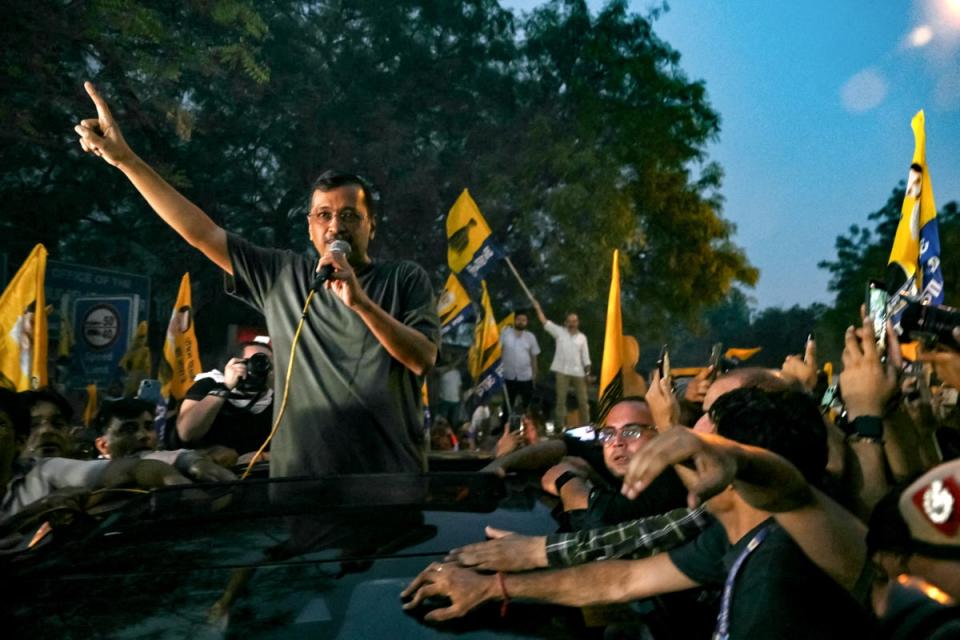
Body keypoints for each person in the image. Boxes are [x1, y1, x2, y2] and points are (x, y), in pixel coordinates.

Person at [75, 82, 440, 478]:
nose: (337, 226)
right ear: (310, 227)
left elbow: (422, 359)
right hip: (299, 486)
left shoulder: (404, 278)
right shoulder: (282, 275)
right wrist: (126, 160)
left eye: (350, 215)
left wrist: (362, 304)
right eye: (324, 215)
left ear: (372, 224)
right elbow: (201, 233)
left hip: (387, 481)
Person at [402, 388, 875, 638]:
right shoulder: (727, 534)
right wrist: (494, 586)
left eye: (697, 434)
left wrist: (742, 459)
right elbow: (618, 580)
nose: (683, 436)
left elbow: (788, 488)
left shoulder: (802, 541)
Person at [540, 397, 686, 531]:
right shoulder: (623, 459)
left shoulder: (670, 484)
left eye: (631, 432)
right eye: (609, 433)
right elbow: (566, 444)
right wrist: (515, 459)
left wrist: (565, 480)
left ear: (661, 435)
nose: (617, 442)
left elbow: (598, 520)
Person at [175, 339, 275, 460]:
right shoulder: (209, 384)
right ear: (234, 363)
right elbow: (186, 433)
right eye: (254, 361)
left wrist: (262, 456)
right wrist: (225, 387)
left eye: (267, 363)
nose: (261, 367)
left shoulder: (276, 400)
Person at [94, 398, 235, 482]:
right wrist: (187, 459)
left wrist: (198, 459)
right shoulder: (89, 478)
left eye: (149, 427)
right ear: (103, 445)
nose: (143, 435)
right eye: (129, 430)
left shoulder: (175, 461)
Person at [532, 302, 590, 428]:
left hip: (578, 372)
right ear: (566, 323)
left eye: (574, 321)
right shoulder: (559, 332)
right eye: (570, 321)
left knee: (583, 401)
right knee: (560, 401)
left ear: (578, 322)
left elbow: (585, 357)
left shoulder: (582, 338)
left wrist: (588, 373)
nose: (572, 323)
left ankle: (586, 426)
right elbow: (544, 322)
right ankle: (559, 427)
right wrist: (537, 308)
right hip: (562, 371)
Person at [499, 311, 540, 409]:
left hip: (526, 377)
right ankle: (505, 423)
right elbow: (498, 352)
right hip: (508, 376)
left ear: (526, 322)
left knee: (526, 406)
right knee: (507, 406)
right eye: (519, 320)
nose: (521, 322)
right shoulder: (505, 334)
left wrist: (534, 375)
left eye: (523, 320)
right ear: (514, 320)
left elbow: (534, 357)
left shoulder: (530, 337)